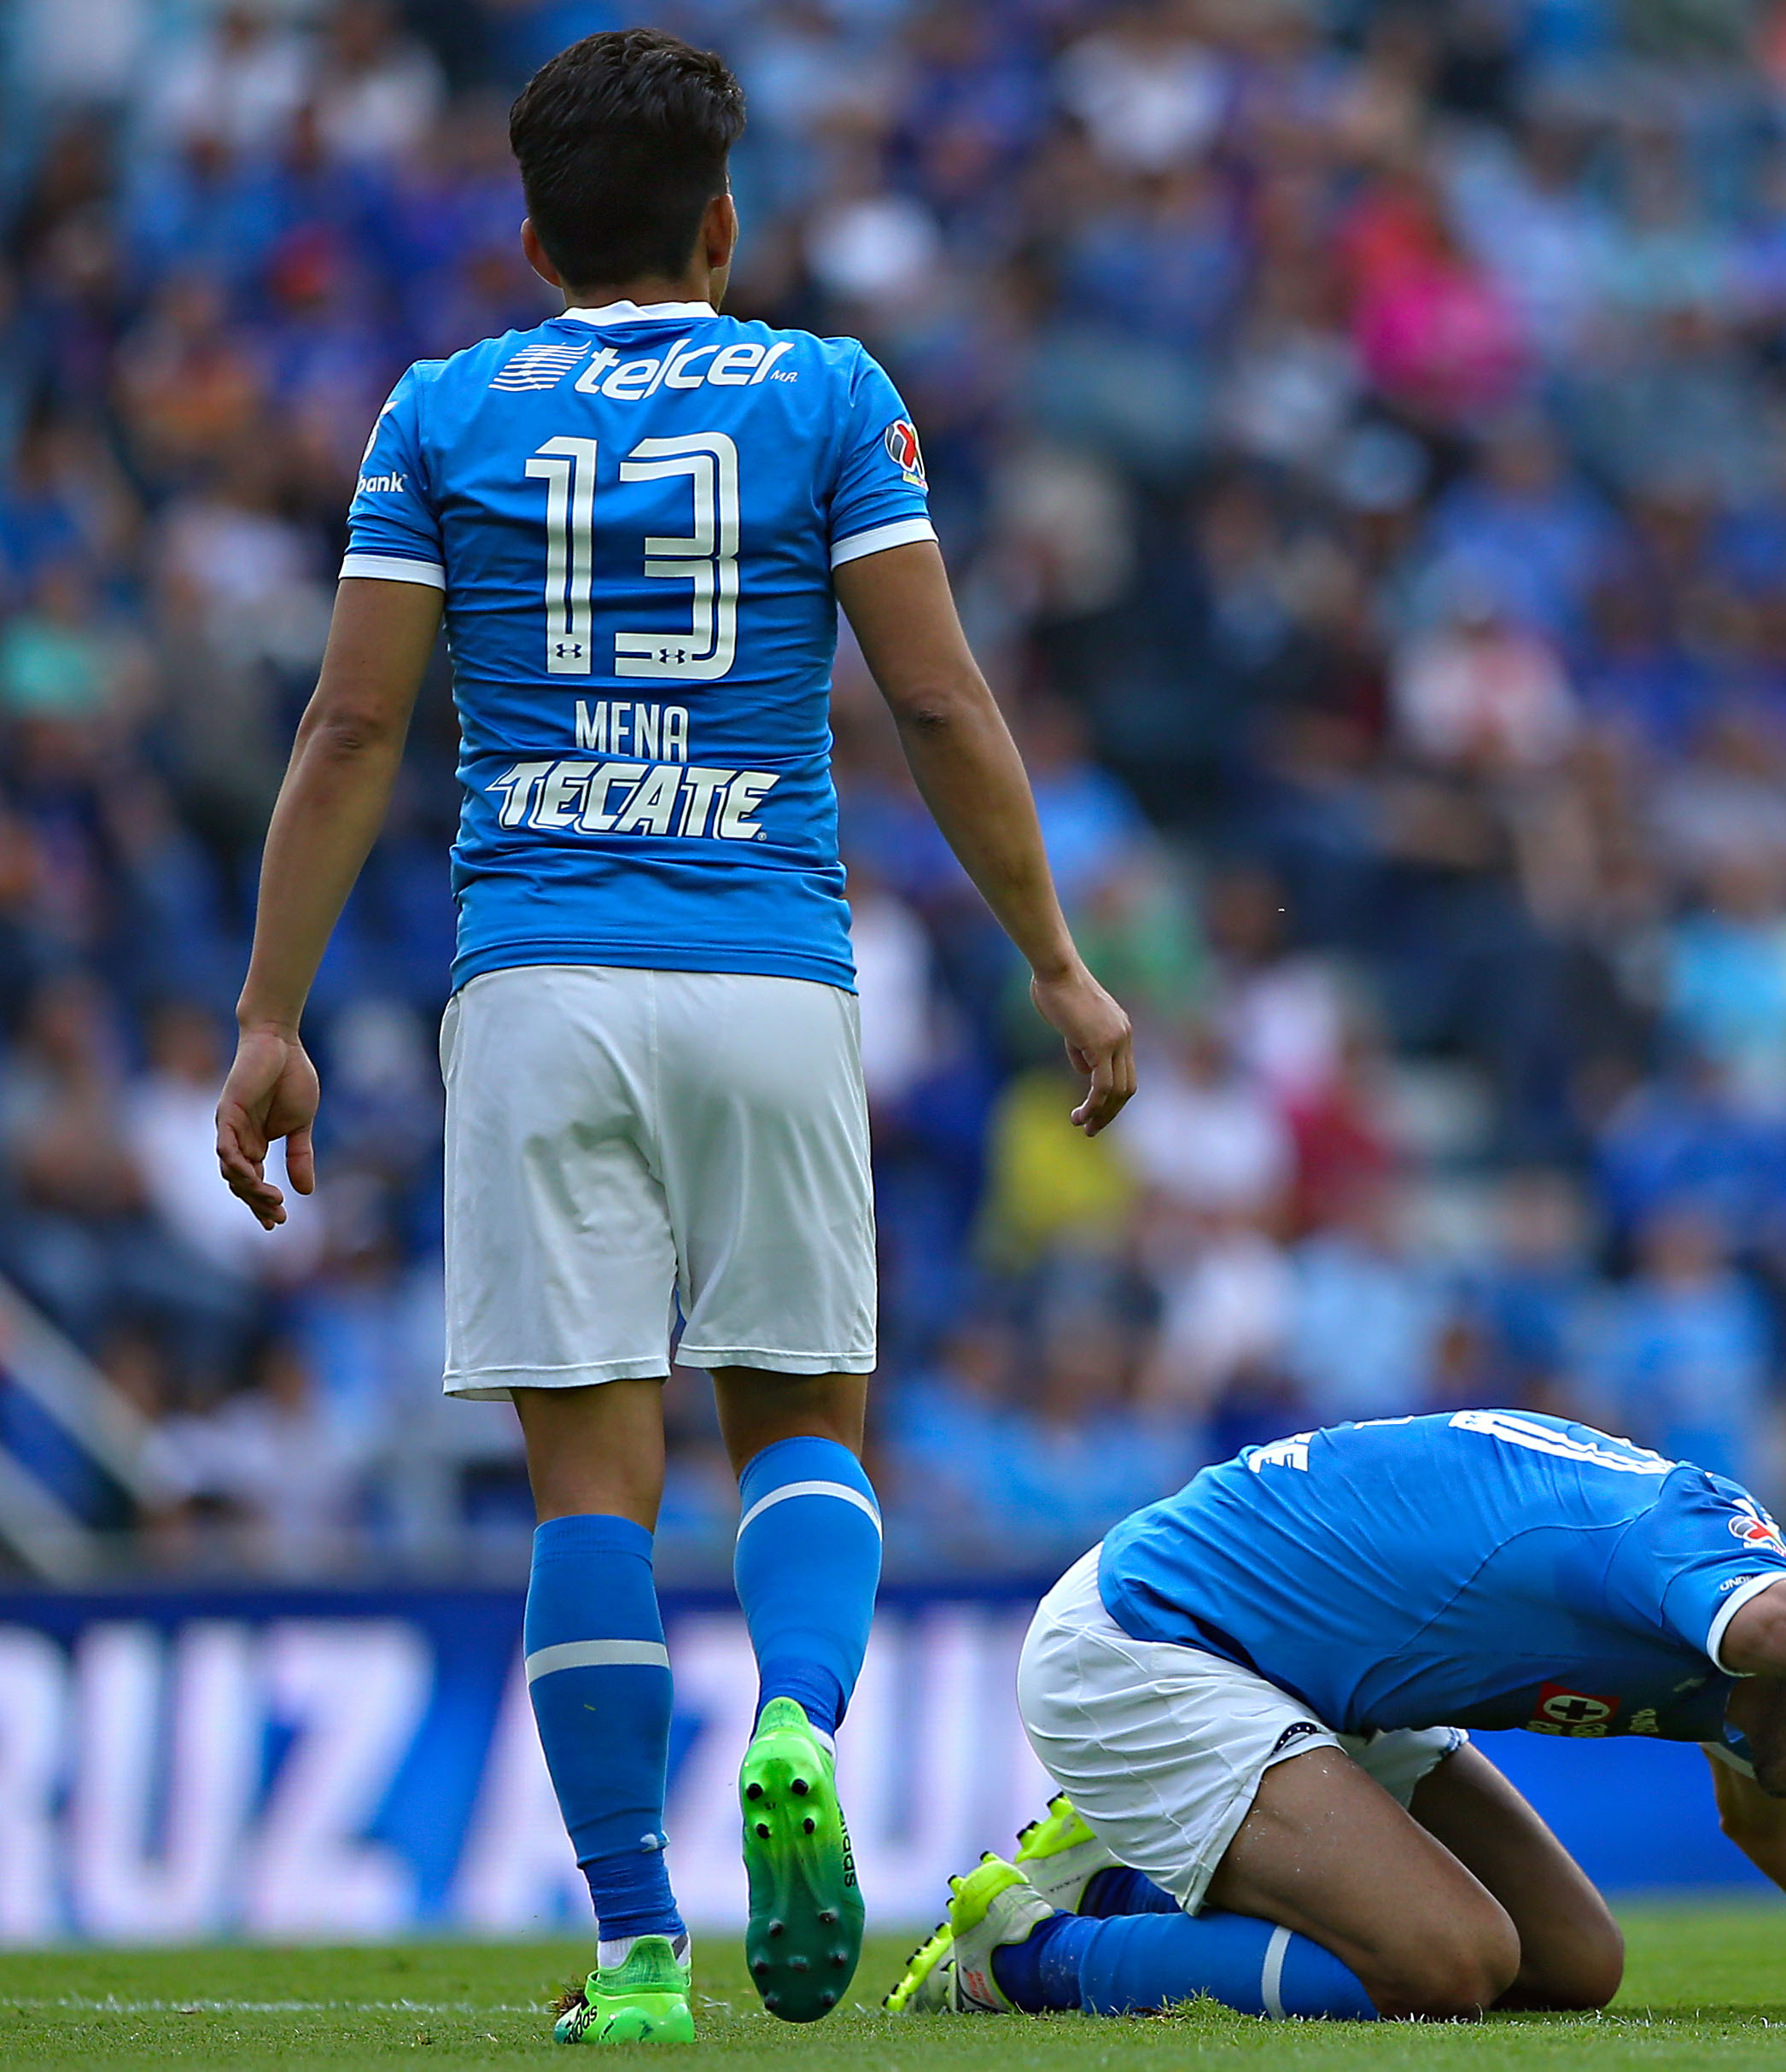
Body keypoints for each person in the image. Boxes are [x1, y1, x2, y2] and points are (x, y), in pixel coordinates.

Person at [208, 29, 1133, 2046]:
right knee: (803, 1424)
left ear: (534, 234)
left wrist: (271, 1013)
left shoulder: (440, 410)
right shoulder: (827, 391)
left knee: (588, 1496)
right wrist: (1055, 960)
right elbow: (949, 706)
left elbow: (353, 726)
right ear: (725, 221)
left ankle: (638, 1948)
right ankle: (795, 1718)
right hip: (767, 966)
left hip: (534, 982)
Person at [886, 1159, 1786, 2022]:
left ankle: (1126, 1876)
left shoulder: (1753, 1630)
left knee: (1571, 1969)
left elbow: (1779, 1817)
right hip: (1157, 1640)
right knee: (1444, 1965)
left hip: (1315, 1681)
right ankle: (1020, 1956)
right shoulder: (1708, 1581)